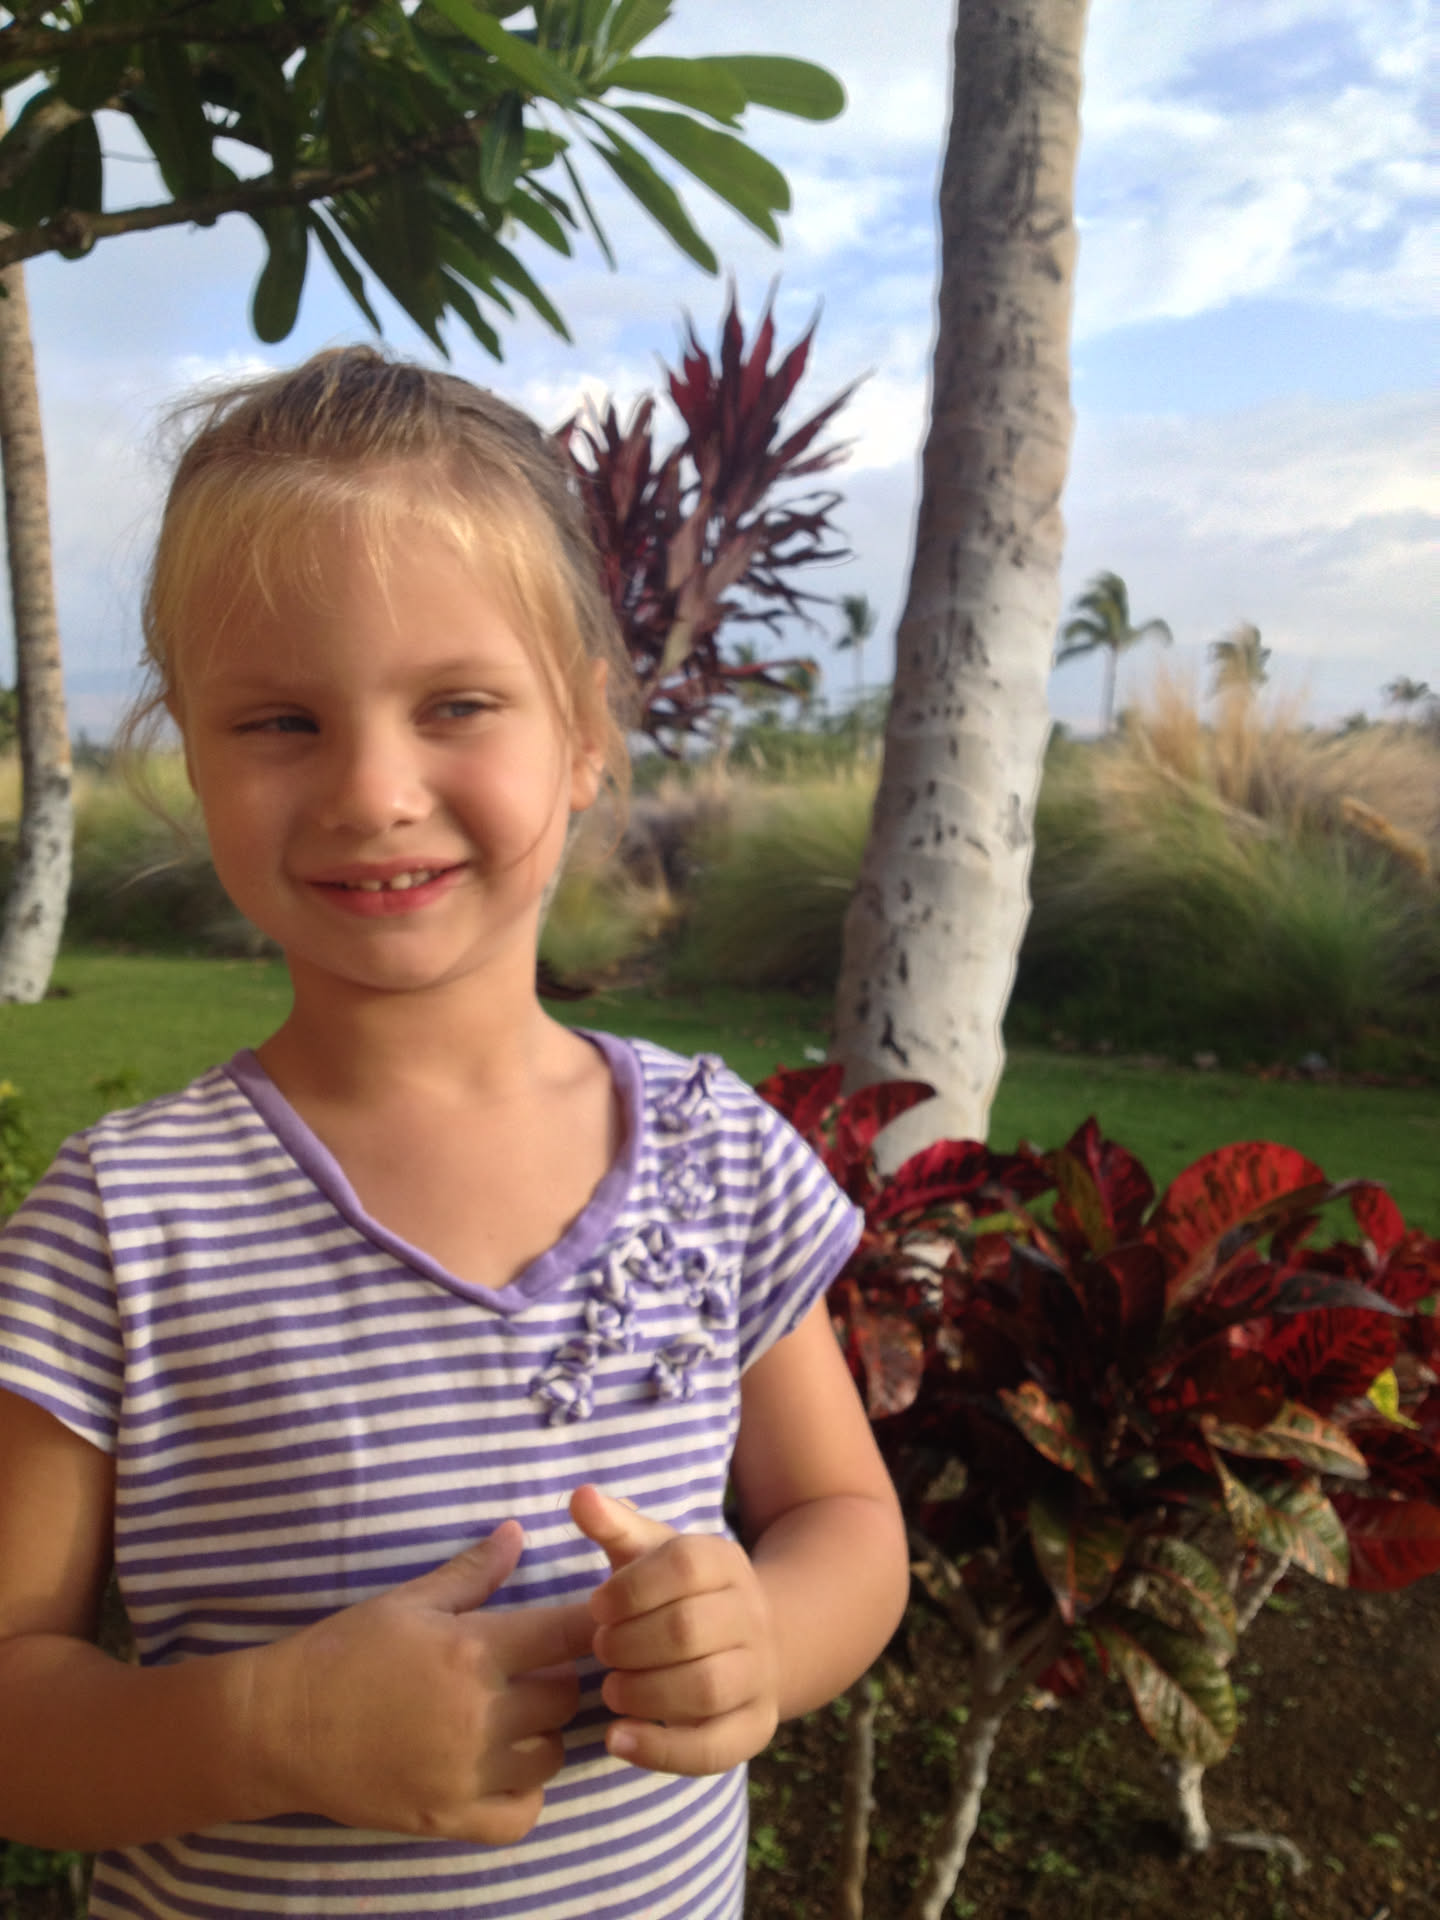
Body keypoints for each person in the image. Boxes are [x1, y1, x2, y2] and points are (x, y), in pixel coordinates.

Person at [0, 348, 909, 1920]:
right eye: (280, 720)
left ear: (586, 732)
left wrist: (766, 1636)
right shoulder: (124, 1222)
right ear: (193, 756)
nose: (373, 789)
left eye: (458, 706)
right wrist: (266, 1730)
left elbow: (846, 1520)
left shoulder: (716, 1154)